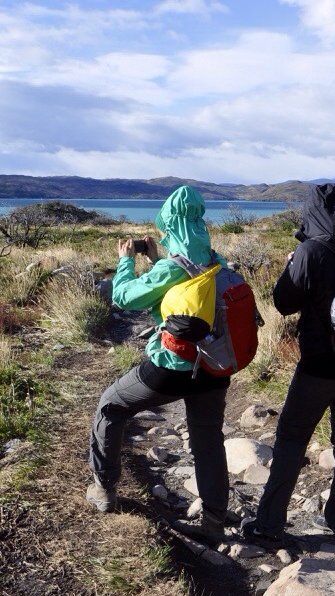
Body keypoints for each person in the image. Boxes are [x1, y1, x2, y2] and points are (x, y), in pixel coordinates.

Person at [86, 186, 232, 539]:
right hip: (214, 365)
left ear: (170, 226)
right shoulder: (217, 261)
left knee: (111, 406)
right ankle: (214, 522)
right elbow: (187, 291)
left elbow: (125, 298)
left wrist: (126, 261)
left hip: (173, 367)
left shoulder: (171, 267)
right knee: (208, 438)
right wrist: (156, 260)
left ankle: (104, 489)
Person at [242, 183, 335, 547]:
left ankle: (269, 524)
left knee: (291, 436)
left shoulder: (310, 251)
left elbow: (283, 303)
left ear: (310, 213)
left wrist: (292, 264)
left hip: (322, 365)